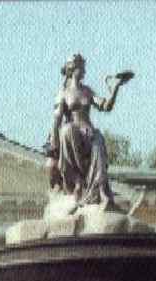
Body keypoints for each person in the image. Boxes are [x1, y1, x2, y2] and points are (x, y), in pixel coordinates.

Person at [47, 54, 131, 209]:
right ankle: (77, 181)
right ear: (72, 70)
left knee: (98, 139)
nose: (84, 71)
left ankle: (101, 191)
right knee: (67, 130)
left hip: (88, 134)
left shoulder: (87, 91)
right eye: (82, 68)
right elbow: (57, 119)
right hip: (72, 135)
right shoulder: (63, 93)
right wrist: (53, 144)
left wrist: (115, 88)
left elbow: (106, 106)